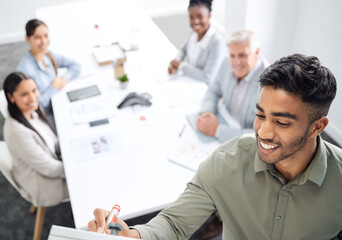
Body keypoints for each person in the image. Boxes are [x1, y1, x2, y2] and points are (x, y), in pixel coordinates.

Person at [88, 54, 342, 239]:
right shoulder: (225, 162)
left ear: (317, 127)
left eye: (282, 122)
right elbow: (174, 224)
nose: (263, 131)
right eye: (261, 115)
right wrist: (135, 236)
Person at [3, 72, 68, 207]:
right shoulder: (17, 132)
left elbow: (53, 142)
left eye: (34, 90)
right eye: (24, 94)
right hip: (45, 184)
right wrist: (74, 170)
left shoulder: (32, 111)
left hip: (54, 163)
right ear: (11, 97)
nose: (33, 98)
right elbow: (49, 168)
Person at [196, 30, 269, 143]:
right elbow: (213, 90)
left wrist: (217, 131)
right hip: (224, 121)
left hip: (243, 142)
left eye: (242, 55)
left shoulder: (271, 84)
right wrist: (207, 112)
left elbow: (263, 134)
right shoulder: (226, 63)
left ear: (257, 52)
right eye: (232, 55)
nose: (236, 62)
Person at [17, 19, 81, 111]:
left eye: (46, 36)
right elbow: (34, 106)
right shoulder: (26, 71)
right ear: (27, 38)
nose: (44, 41)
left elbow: (76, 66)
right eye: (37, 37)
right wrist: (54, 87)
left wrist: (63, 79)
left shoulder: (47, 55)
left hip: (59, 101)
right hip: (48, 113)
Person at [167, 0, 227, 84]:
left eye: (200, 16)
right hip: (189, 82)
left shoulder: (217, 42)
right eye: (191, 17)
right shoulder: (194, 32)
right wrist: (174, 64)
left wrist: (181, 65)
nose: (195, 21)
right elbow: (183, 50)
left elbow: (207, 77)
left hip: (204, 89)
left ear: (209, 16)